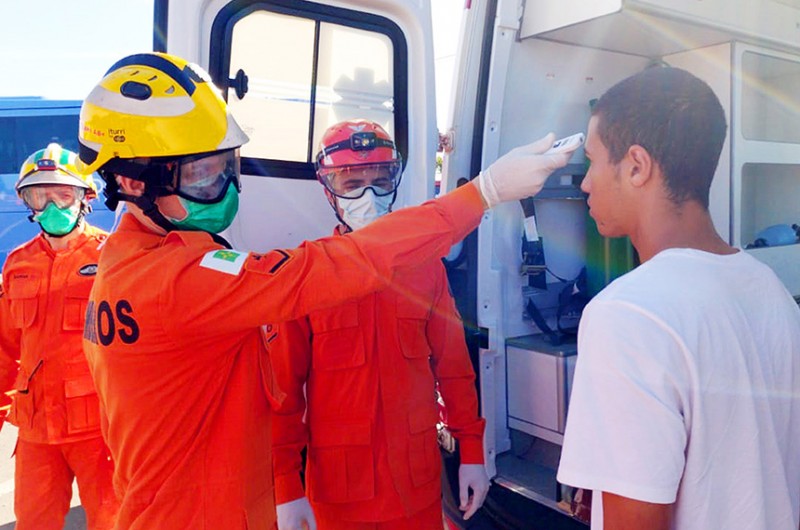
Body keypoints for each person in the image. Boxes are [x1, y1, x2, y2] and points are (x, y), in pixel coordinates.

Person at [75, 52, 576, 529]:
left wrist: (470, 447)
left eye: (227, 167)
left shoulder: (144, 267)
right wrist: (481, 193)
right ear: (130, 182)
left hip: (406, 481)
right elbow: (290, 384)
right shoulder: (173, 280)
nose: (226, 189)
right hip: (308, 496)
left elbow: (451, 365)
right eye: (203, 176)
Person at [557, 66, 800, 530]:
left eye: (592, 160)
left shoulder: (626, 315)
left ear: (636, 165)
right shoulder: (769, 289)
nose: (585, 182)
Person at [270, 119, 489, 530]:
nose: (367, 195)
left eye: (379, 179)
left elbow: (454, 369)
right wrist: (286, 486)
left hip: (417, 491)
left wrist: (473, 453)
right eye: (351, 183)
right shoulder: (307, 275)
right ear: (328, 189)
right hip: (339, 499)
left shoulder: (426, 269)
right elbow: (283, 394)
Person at [0, 143, 119, 529]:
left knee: (113, 520)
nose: (52, 207)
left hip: (99, 429)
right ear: (27, 202)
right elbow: (4, 351)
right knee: (33, 522)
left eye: (63, 195)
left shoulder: (114, 257)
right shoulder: (18, 263)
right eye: (40, 196)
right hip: (36, 430)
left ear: (85, 198)